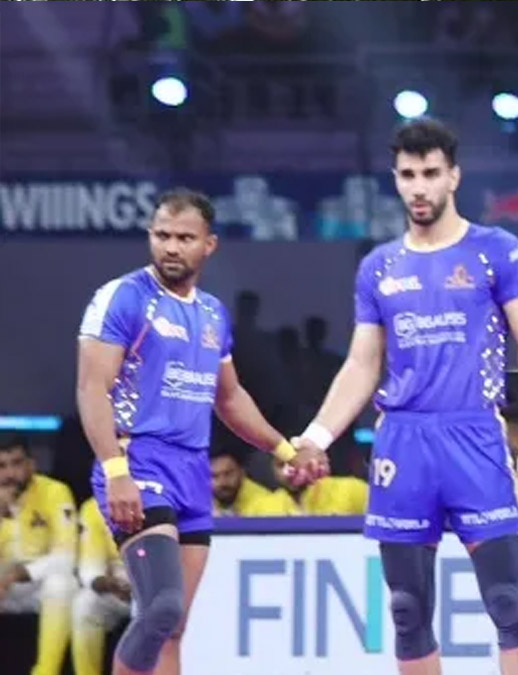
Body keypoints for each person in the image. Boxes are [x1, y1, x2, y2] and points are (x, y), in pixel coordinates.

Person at [290, 118, 518, 675]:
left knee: (508, 602)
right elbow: (362, 363)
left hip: (474, 437)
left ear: (453, 177)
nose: (419, 186)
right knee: (408, 611)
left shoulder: (497, 251)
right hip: (403, 443)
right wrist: (316, 436)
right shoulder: (378, 266)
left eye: (431, 173)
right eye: (408, 175)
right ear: (395, 178)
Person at [76, 188, 326, 675]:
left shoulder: (211, 313)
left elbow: (229, 399)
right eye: (162, 235)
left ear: (209, 244)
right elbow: (91, 389)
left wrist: (284, 449)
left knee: (174, 625)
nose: (171, 247)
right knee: (161, 607)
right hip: (138, 462)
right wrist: (116, 471)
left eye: (184, 238)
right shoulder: (123, 297)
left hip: (192, 470)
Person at [0, 435, 77, 675]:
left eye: (16, 463)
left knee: (62, 583)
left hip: (37, 584)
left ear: (31, 464)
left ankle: (46, 671)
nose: (9, 474)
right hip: (3, 586)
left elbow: (66, 558)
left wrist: (17, 574)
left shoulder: (55, 492)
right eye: (1, 466)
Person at [72, 497, 131, 675]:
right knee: (85, 604)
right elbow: (91, 567)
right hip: (117, 587)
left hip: (157, 586)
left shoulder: (160, 498)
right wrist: (109, 584)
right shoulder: (93, 507)